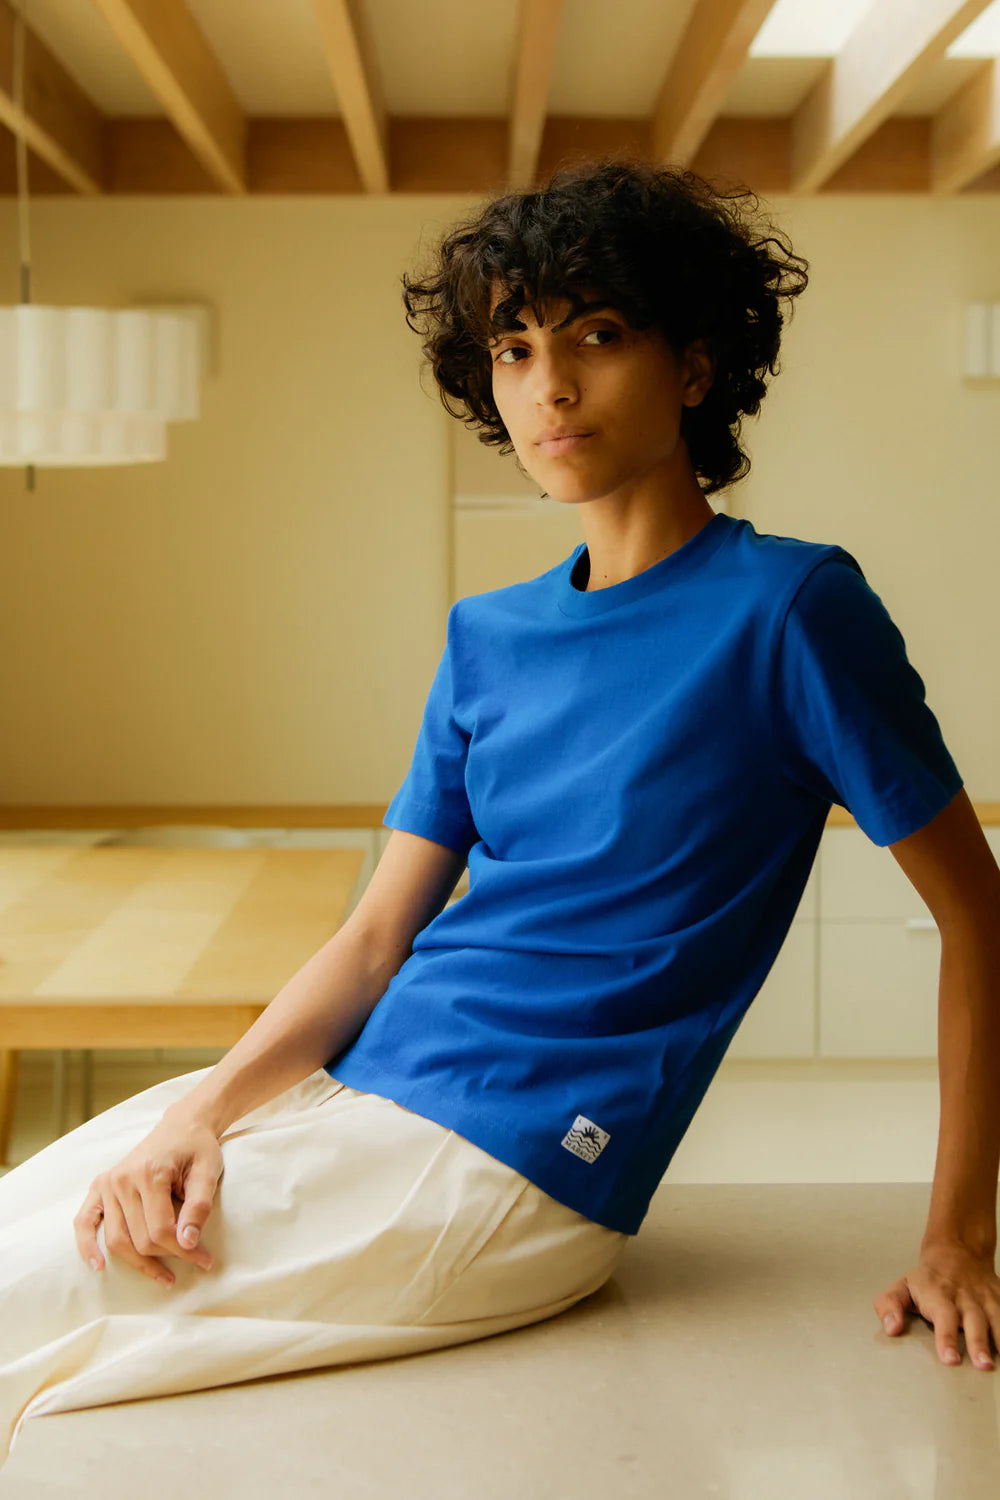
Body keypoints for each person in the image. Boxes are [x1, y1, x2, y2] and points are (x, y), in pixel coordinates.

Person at [0, 156, 966, 1466]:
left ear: (695, 364)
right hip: (356, 1086)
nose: (548, 385)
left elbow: (982, 923)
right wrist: (201, 1112)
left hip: (519, 1161)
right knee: (33, 1227)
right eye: (512, 347)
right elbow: (374, 942)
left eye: (597, 336)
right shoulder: (486, 636)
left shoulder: (793, 612)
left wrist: (956, 1237)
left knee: (36, 1320)